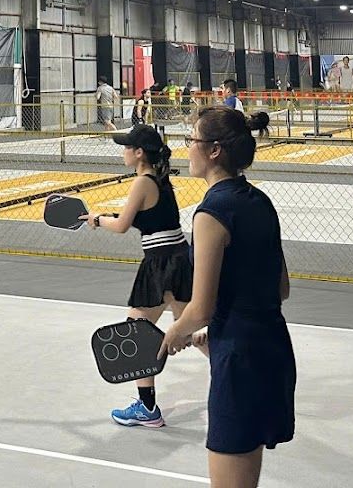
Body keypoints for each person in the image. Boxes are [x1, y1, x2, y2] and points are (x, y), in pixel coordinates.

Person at [161, 107, 294, 487]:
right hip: (272, 349)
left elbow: (201, 308)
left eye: (191, 140)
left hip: (239, 362)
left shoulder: (211, 213)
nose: (187, 148)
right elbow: (281, 289)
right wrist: (215, 334)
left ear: (214, 150)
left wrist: (175, 334)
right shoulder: (260, 201)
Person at [80, 123, 193, 429]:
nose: (123, 152)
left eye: (127, 147)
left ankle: (148, 409)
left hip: (160, 265)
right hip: (178, 258)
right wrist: (105, 217)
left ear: (139, 153)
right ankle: (247, 384)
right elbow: (142, 218)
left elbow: (121, 226)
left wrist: (97, 220)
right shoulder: (159, 178)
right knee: (192, 332)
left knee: (137, 333)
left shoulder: (142, 182)